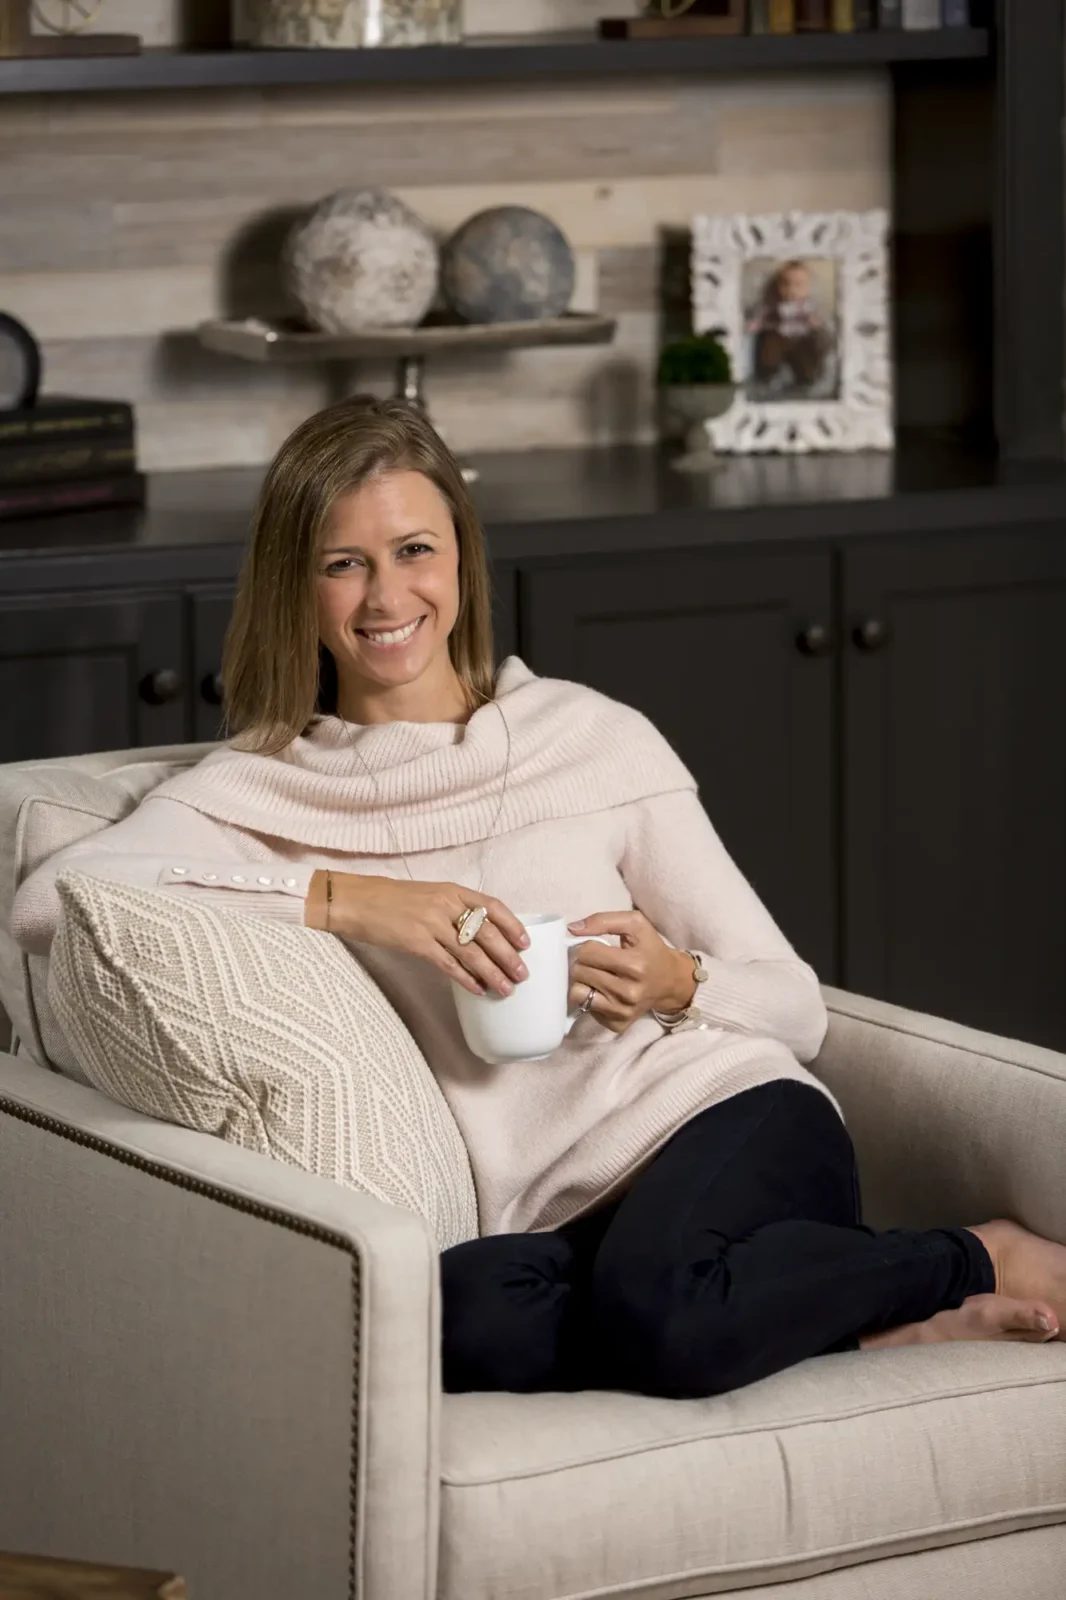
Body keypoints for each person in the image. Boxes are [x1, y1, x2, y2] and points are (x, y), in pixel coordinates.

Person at [11, 396, 1066, 1399]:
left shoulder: (588, 737)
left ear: (462, 556)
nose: (386, 598)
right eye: (344, 564)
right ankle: (840, 1314)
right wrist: (348, 901)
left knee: (661, 1309)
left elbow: (797, 1005)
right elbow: (56, 900)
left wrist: (676, 981)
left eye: (414, 550)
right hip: (538, 1219)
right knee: (453, 1322)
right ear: (296, 585)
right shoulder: (262, 788)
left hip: (721, 1119)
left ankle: (968, 1255)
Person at [748, 258, 831, 394]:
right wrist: (756, 324)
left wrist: (815, 322)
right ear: (778, 286)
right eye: (785, 284)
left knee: (808, 355)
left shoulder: (809, 305)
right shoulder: (773, 303)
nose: (791, 289)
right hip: (780, 336)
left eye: (798, 285)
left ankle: (805, 378)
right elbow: (763, 316)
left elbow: (820, 322)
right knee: (769, 343)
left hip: (801, 340)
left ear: (808, 288)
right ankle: (772, 374)